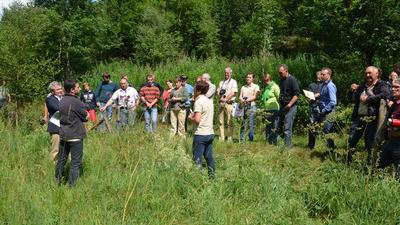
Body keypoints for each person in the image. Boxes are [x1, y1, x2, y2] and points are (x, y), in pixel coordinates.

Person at [347, 66, 390, 163]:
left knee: (370, 142)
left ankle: (370, 164)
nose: (367, 75)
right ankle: (348, 160)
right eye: (366, 73)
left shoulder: (382, 84)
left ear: (377, 74)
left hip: (372, 118)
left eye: (370, 73)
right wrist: (350, 91)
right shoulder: (362, 86)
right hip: (359, 117)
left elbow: (385, 95)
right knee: (351, 139)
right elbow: (352, 100)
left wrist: (368, 99)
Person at [55, 80, 89, 187]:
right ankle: (72, 186)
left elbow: (59, 117)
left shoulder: (61, 100)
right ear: (72, 90)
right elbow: (86, 116)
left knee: (61, 160)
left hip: (63, 135)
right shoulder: (77, 102)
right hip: (75, 136)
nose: (79, 89)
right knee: (75, 162)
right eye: (77, 87)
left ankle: (58, 182)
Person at [188, 80, 216, 178]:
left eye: (195, 88)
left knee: (197, 159)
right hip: (210, 133)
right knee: (209, 157)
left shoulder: (198, 102)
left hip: (200, 134)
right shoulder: (209, 101)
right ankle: (212, 177)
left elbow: (197, 120)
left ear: (198, 90)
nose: (194, 90)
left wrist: (190, 118)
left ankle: (197, 180)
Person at [308, 68, 337, 149]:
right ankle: (331, 150)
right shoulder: (324, 85)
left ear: (329, 75)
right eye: (321, 74)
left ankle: (331, 150)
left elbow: (333, 102)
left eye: (323, 74)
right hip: (323, 112)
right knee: (326, 132)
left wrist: (324, 110)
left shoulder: (330, 86)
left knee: (326, 132)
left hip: (329, 112)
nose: (321, 76)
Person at [378, 78, 400, 179]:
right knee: (381, 165)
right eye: (392, 87)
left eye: (397, 87)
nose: (393, 89)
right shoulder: (395, 104)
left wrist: (393, 122)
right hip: (391, 140)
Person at [276, 64, 300, 148]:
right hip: (283, 106)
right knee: (277, 126)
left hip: (291, 107)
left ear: (286, 71)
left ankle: (288, 147)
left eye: (281, 72)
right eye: (279, 73)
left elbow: (296, 94)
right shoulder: (281, 80)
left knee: (287, 128)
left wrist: (289, 105)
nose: (280, 74)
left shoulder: (292, 80)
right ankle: (282, 143)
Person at [217, 67, 238, 141]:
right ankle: (221, 138)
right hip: (221, 103)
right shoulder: (221, 82)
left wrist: (225, 99)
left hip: (229, 103)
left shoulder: (233, 82)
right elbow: (218, 92)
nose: (226, 74)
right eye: (225, 73)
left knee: (229, 121)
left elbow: (233, 93)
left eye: (228, 73)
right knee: (220, 121)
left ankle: (229, 138)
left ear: (231, 74)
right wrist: (220, 96)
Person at [45, 81, 63, 162]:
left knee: (64, 148)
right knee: (55, 149)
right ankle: (52, 165)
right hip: (55, 127)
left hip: (64, 126)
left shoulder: (63, 98)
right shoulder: (49, 99)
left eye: (61, 88)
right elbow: (56, 108)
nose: (60, 90)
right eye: (58, 89)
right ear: (52, 91)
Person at [239, 73, 260, 142]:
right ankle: (241, 140)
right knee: (243, 123)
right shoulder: (243, 87)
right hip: (244, 107)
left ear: (253, 79)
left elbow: (255, 96)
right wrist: (242, 100)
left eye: (250, 77)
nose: (248, 78)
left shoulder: (256, 86)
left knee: (251, 124)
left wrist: (247, 100)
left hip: (252, 106)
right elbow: (240, 97)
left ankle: (251, 140)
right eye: (247, 77)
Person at [261, 73, 280, 144]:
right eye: (264, 80)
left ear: (269, 79)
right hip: (267, 109)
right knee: (268, 126)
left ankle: (274, 142)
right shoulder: (266, 88)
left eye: (266, 80)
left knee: (274, 125)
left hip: (274, 109)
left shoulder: (275, 86)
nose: (265, 82)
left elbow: (279, 97)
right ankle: (269, 142)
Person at [307, 71, 323, 148]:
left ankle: (320, 145)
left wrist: (316, 95)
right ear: (317, 75)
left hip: (321, 107)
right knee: (312, 126)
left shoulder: (324, 85)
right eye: (321, 74)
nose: (322, 76)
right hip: (312, 107)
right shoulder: (311, 85)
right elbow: (309, 97)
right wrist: (315, 95)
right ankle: (311, 145)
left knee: (322, 126)